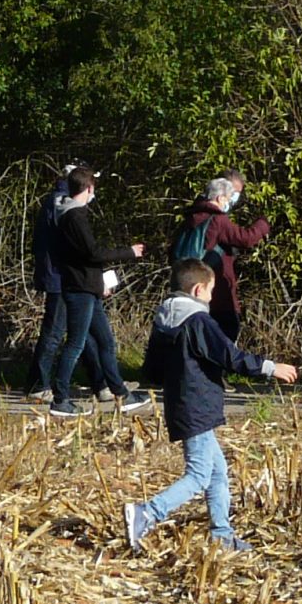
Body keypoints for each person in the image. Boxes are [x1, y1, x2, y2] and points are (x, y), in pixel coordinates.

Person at [120, 261, 299, 555]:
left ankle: (222, 534)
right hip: (197, 406)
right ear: (198, 289)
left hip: (181, 402)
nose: (212, 299)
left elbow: (151, 370)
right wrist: (269, 367)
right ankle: (148, 512)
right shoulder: (198, 321)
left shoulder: (164, 320)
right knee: (199, 475)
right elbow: (230, 356)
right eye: (211, 292)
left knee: (217, 471)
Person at [49, 168, 151, 418]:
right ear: (89, 188)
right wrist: (128, 252)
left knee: (105, 341)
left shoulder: (71, 214)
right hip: (80, 290)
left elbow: (84, 256)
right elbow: (92, 253)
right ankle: (60, 397)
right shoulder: (74, 217)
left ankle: (121, 394)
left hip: (88, 287)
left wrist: (98, 283)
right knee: (75, 343)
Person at [173, 175, 270, 342]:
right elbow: (245, 238)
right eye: (227, 198)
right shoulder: (218, 219)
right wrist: (263, 223)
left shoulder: (191, 215)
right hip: (215, 288)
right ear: (219, 198)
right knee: (225, 333)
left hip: (187, 283)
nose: (229, 202)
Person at [26, 165, 79, 402]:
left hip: (60, 274)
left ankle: (103, 381)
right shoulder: (61, 202)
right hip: (59, 277)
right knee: (54, 332)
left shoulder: (55, 200)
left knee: (78, 331)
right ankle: (39, 383)